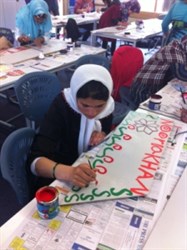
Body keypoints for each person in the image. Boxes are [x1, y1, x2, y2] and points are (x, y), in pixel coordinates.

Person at [27, 64, 115, 196]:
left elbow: (106, 128)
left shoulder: (107, 108)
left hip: (86, 168)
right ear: (75, 96)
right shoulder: (61, 106)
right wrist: (68, 172)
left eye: (99, 106)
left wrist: (101, 133)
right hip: (57, 172)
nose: (92, 113)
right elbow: (35, 162)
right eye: (84, 105)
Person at [120, 35, 187, 110]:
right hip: (144, 87)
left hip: (157, 85)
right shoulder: (174, 48)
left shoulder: (182, 50)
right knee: (166, 108)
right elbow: (181, 73)